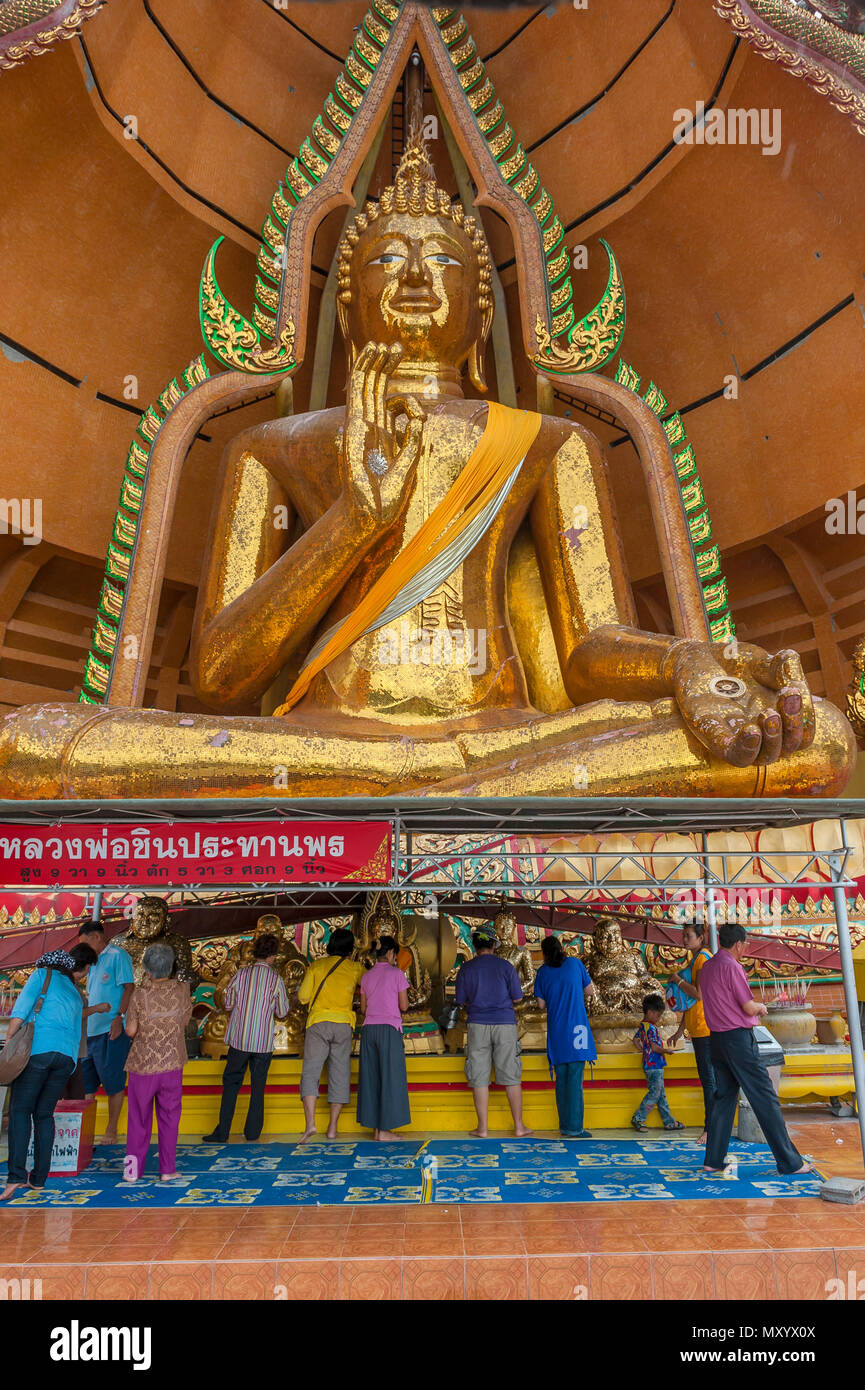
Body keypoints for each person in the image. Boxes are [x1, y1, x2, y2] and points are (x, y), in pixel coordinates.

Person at [699, 923, 812, 1176]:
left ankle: (713, 1160)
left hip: (716, 1039)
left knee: (724, 1098)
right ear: (739, 944)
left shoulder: (706, 968)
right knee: (764, 1097)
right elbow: (748, 1007)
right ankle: (790, 1162)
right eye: (744, 945)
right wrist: (761, 1007)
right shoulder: (732, 966)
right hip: (737, 1040)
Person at [1, 945, 101, 1200]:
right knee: (44, 1114)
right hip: (66, 1059)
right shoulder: (75, 991)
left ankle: (15, 1177)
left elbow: (20, 1012)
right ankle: (39, 1179)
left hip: (40, 1051)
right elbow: (79, 1031)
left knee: (20, 1111)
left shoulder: (41, 975)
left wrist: (9, 1044)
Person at [202, 931, 289, 1143]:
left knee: (231, 1085)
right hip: (262, 1042)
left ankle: (222, 1132)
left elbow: (228, 1004)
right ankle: (252, 1133)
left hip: (240, 1040)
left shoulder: (241, 975)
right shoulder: (275, 979)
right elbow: (282, 1012)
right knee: (258, 1088)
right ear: (272, 956)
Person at [124, 943, 192, 1182]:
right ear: (171, 967)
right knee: (170, 1118)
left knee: (138, 1119)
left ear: (147, 969)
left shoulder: (140, 994)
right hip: (172, 1062)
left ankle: (132, 1172)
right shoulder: (183, 991)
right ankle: (167, 1170)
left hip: (142, 1064)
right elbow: (184, 1022)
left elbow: (131, 1030)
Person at [455, 927, 532, 1139]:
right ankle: (518, 1126)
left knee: (479, 1077)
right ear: (493, 945)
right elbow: (518, 998)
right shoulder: (506, 966)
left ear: (475, 946)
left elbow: (460, 1000)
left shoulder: (467, 968)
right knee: (511, 1075)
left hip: (477, 1024)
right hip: (505, 1024)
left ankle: (483, 1128)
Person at [297, 927, 364, 1143]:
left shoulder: (316, 966)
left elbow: (303, 997)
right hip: (344, 1024)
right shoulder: (356, 968)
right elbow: (369, 987)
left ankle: (310, 1124)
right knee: (340, 1074)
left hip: (318, 1023)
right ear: (351, 948)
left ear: (330, 944)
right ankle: (333, 1127)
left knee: (311, 1073)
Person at [78, 920, 135, 1144]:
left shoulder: (117, 956)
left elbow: (129, 987)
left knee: (113, 1082)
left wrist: (119, 1018)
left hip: (110, 1029)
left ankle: (111, 1129)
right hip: (90, 1030)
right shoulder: (90, 962)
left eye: (85, 942)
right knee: (87, 1085)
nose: (83, 948)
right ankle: (85, 1132)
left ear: (97, 937)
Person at [533, 935, 597, 1138]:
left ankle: (564, 1126)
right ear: (562, 948)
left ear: (544, 953)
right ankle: (576, 1128)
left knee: (561, 1081)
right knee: (576, 1082)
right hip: (579, 1029)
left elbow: (541, 1005)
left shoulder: (543, 972)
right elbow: (590, 991)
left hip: (558, 1030)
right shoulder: (576, 964)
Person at [356, 935, 411, 1141]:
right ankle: (385, 1131)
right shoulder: (397, 973)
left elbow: (362, 1008)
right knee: (390, 1079)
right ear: (390, 953)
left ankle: (376, 1129)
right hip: (389, 1030)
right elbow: (404, 1006)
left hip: (369, 1030)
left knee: (371, 1079)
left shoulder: (366, 976)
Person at [668, 923, 715, 1145]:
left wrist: (678, 980)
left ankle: (711, 1129)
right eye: (683, 935)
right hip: (697, 1028)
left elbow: (698, 994)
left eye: (688, 936)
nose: (684, 939)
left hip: (706, 1029)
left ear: (701, 937)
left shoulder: (704, 959)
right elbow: (688, 1003)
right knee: (707, 1079)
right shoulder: (695, 960)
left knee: (709, 1081)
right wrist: (679, 1031)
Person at [631, 993, 684, 1132]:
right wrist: (666, 1051)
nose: (659, 1019)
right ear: (650, 1012)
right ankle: (639, 1117)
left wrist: (640, 1047)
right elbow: (655, 1047)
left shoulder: (643, 1026)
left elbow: (635, 1039)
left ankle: (669, 1121)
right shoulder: (652, 1028)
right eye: (658, 1015)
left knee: (660, 1095)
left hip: (649, 1065)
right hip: (655, 1065)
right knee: (655, 1093)